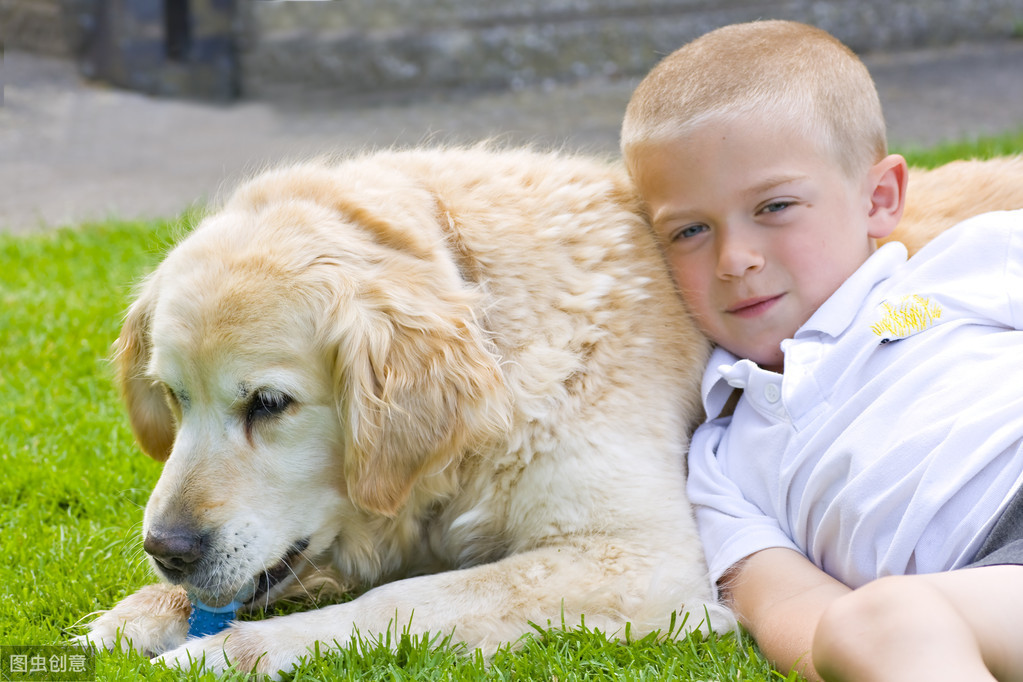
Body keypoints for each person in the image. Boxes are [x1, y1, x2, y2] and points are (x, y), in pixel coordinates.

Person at [620, 19, 1023, 682]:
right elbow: (793, 604)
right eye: (689, 230)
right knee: (873, 622)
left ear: (878, 198)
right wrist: (867, 648)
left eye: (774, 206)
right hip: (987, 584)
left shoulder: (961, 266)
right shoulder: (721, 459)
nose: (735, 259)